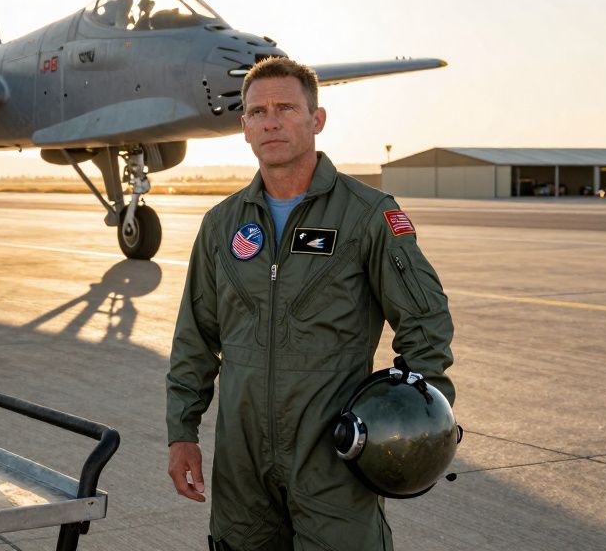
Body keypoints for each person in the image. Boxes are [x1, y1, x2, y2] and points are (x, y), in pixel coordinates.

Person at [165, 57, 456, 550]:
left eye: (285, 108)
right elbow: (195, 338)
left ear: (316, 119)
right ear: (244, 128)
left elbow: (425, 324)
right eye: (257, 112)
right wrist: (181, 432)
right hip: (241, 465)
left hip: (333, 459)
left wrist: (414, 419)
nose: (271, 121)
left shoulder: (368, 216)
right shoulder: (221, 225)